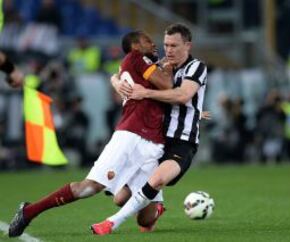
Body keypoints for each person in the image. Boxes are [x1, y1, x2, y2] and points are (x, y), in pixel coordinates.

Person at [8, 30, 174, 237]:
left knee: (144, 219)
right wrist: (168, 68)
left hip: (154, 143)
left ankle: (151, 206)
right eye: (148, 41)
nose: (154, 44)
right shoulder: (136, 58)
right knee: (90, 187)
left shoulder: (146, 66)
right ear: (135, 47)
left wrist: (158, 69)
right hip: (131, 135)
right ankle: (29, 211)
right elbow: (168, 85)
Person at [91, 23, 208, 235]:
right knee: (121, 200)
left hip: (182, 142)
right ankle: (156, 208)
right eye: (166, 45)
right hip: (156, 142)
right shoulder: (161, 64)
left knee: (157, 180)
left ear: (187, 46)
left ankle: (111, 223)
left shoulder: (196, 68)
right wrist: (115, 81)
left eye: (174, 45)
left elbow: (182, 96)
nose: (169, 49)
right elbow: (125, 70)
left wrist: (146, 93)